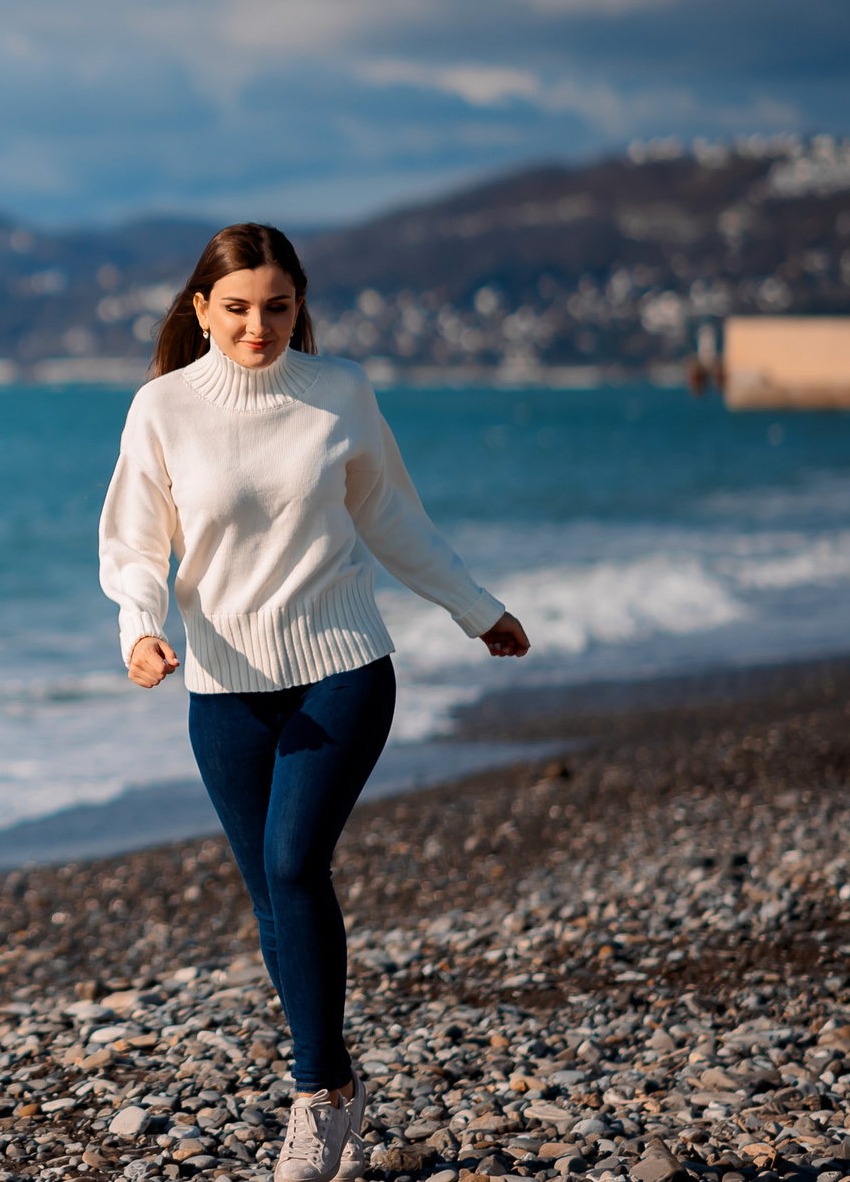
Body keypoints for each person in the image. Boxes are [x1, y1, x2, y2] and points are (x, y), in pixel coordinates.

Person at [98, 223, 530, 1182]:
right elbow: (136, 540)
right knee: (271, 899)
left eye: (279, 306)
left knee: (295, 864)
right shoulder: (162, 409)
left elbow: (392, 517)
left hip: (342, 666)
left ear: (301, 305)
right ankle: (333, 1086)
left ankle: (317, 1097)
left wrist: (474, 608)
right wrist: (138, 627)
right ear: (202, 309)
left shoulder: (341, 395)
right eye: (240, 308)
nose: (260, 326)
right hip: (223, 688)